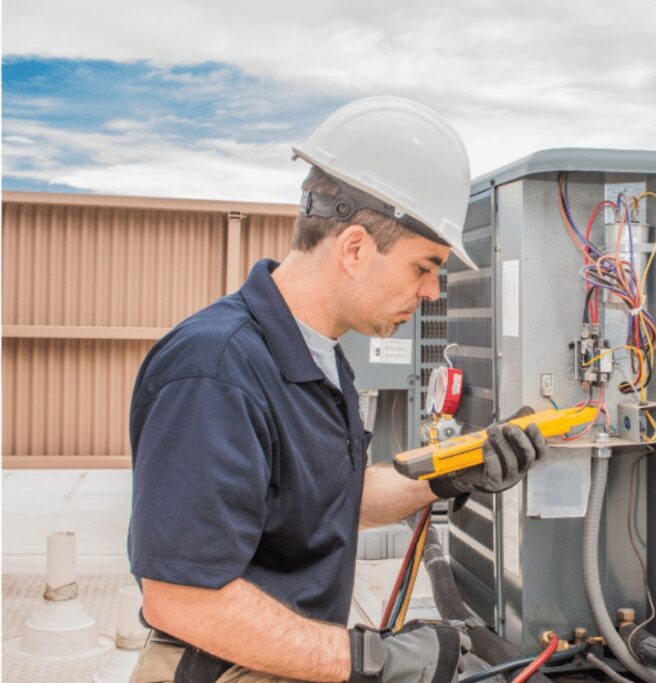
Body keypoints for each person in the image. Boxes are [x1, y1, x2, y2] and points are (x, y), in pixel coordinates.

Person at [127, 97, 546, 683]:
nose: (431, 292)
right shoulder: (215, 371)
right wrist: (374, 660)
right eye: (423, 268)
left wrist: (454, 472)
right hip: (222, 667)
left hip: (284, 660)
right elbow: (182, 597)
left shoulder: (319, 357)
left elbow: (331, 503)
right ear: (354, 249)